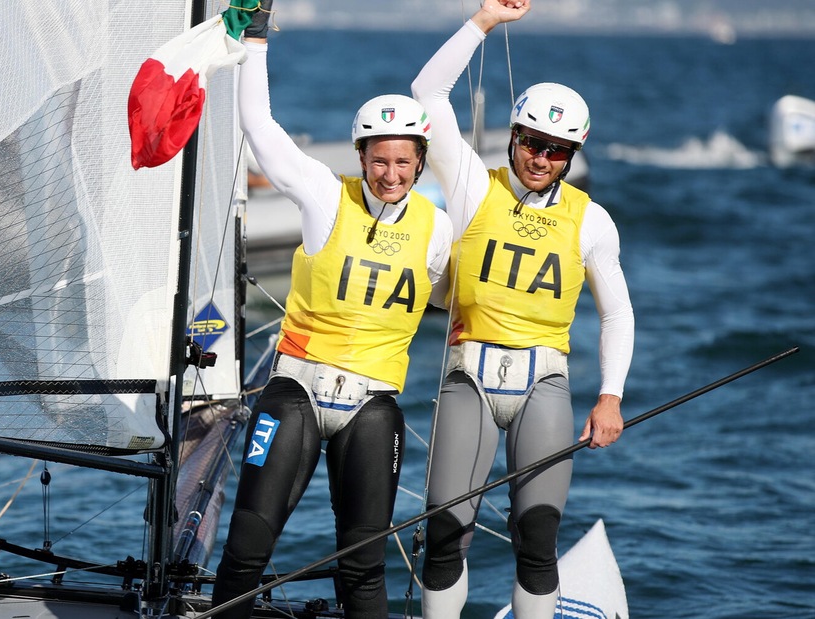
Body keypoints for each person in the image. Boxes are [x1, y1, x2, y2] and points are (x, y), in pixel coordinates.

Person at [210, 2, 453, 617]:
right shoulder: (324, 196)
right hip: (296, 390)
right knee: (246, 550)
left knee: (363, 567)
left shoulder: (438, 228)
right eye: (378, 160)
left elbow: (452, 301)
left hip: (372, 406)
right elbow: (260, 127)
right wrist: (257, 39)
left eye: (403, 162)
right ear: (360, 156)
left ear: (419, 162)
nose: (390, 173)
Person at [409, 1, 634, 617]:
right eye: (532, 142)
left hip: (546, 385)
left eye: (557, 150)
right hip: (469, 378)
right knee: (446, 534)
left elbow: (616, 313)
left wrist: (611, 395)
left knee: (537, 541)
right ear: (513, 135)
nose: (541, 158)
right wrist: (482, 23)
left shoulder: (590, 219)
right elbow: (427, 91)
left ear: (571, 154)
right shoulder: (471, 184)